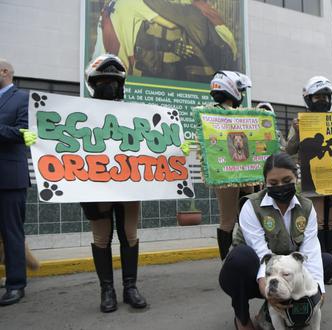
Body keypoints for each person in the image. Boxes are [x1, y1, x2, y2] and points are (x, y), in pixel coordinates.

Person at [219, 152, 332, 330]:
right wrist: (267, 287)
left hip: (285, 272)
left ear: (296, 178)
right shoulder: (251, 206)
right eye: (273, 183)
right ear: (265, 183)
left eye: (287, 180)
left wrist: (319, 290)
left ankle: (284, 311)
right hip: (251, 273)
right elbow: (260, 251)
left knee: (326, 262)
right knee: (240, 257)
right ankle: (242, 318)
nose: (280, 186)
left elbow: (310, 248)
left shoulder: (307, 207)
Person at [81, 54, 147, 313]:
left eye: (114, 81)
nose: (109, 85)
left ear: (122, 85)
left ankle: (130, 287)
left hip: (129, 185)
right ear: (92, 84)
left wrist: (175, 148)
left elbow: (151, 145)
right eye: (103, 81)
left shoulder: (135, 115)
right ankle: (106, 289)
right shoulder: (79, 114)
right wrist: (39, 141)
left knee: (129, 234)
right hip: (95, 186)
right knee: (101, 237)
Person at [286, 76, 332, 283]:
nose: (322, 100)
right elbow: (289, 150)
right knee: (318, 222)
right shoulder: (301, 120)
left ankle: (330, 265)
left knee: (331, 221)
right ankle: (318, 266)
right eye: (317, 96)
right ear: (309, 98)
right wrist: (296, 132)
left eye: (326, 96)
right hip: (311, 179)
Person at [93, 0, 239, 80]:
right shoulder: (139, 3)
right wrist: (169, 45)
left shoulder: (196, 10)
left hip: (196, 71)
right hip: (133, 69)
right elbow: (165, 24)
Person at [206, 70, 253, 261]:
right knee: (232, 219)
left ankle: (235, 260)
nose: (242, 94)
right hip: (231, 170)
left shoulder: (208, 112)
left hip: (234, 169)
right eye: (240, 90)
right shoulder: (212, 114)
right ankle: (228, 262)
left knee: (237, 217)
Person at [0, 59, 32, 306]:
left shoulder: (22, 98)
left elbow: (23, 133)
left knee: (12, 233)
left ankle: (15, 284)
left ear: (4, 72)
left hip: (10, 177)